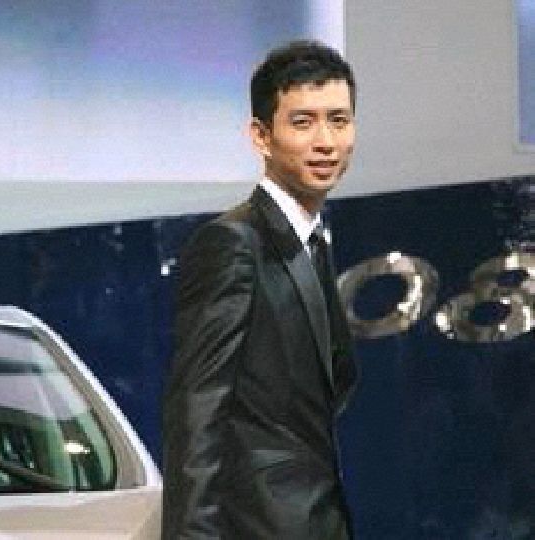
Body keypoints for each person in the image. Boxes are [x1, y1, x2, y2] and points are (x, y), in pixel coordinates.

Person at [162, 40, 359, 539]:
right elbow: (197, 411)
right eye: (303, 122)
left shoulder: (313, 242)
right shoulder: (233, 243)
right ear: (261, 136)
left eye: (339, 120)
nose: (326, 141)